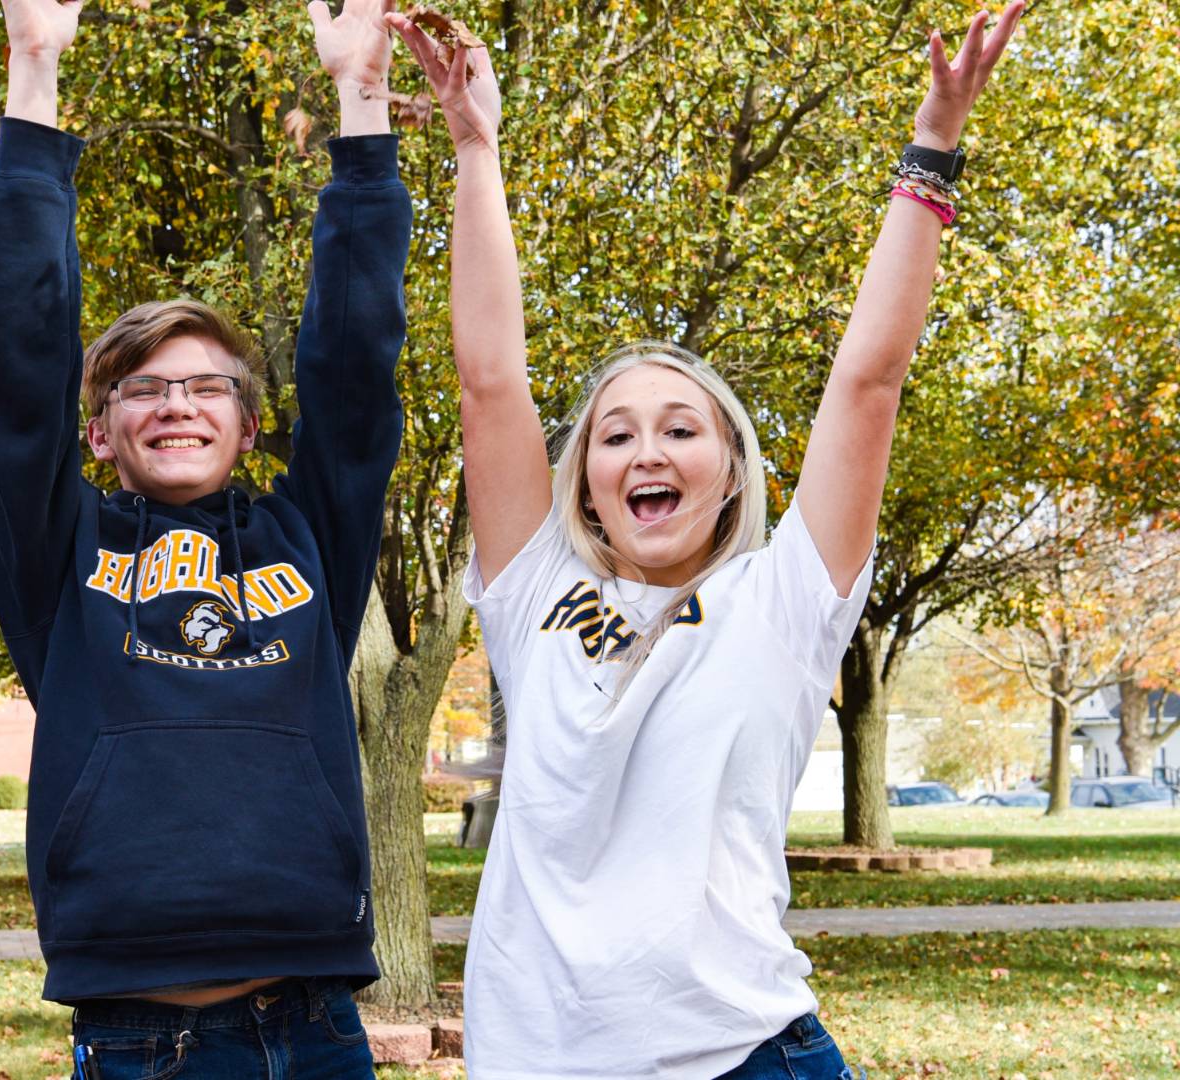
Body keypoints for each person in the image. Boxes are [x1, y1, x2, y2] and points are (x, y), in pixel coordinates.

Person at [389, 3, 1025, 1076]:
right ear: (582, 484)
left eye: (682, 429)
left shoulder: (782, 601)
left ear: (731, 471)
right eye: (616, 434)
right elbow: (491, 379)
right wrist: (474, 148)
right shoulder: (530, 585)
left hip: (742, 1056)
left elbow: (867, 381)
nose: (648, 451)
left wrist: (933, 152)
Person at [0, 0, 410, 1072]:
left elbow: (353, 367)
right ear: (100, 431)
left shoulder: (309, 536)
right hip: (135, 1035)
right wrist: (34, 68)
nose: (177, 404)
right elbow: (18, 360)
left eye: (208, 386)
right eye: (144, 389)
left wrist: (361, 105)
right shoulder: (60, 554)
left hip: (315, 1026)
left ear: (250, 426)